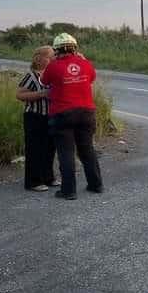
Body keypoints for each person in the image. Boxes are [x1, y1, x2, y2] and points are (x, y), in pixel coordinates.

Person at [41, 33, 103, 200]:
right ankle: (96, 185)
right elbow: (91, 78)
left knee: (66, 152)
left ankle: (69, 191)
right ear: (75, 48)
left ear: (56, 50)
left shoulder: (53, 66)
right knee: (87, 150)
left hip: (62, 113)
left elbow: (44, 81)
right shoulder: (86, 63)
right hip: (86, 112)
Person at [16, 45, 60, 191]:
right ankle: (33, 181)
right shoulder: (32, 76)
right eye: (50, 57)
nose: (53, 59)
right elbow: (20, 95)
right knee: (35, 149)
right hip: (34, 116)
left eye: (54, 56)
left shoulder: (53, 74)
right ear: (40, 59)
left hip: (51, 115)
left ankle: (48, 177)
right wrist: (41, 94)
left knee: (49, 148)